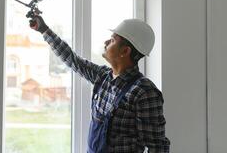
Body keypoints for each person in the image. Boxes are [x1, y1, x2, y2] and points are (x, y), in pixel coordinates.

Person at [29, 15, 170, 153]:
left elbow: (157, 147)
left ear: (125, 51)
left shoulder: (144, 92)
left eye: (113, 40)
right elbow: (73, 60)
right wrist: (44, 29)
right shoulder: (103, 77)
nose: (106, 42)